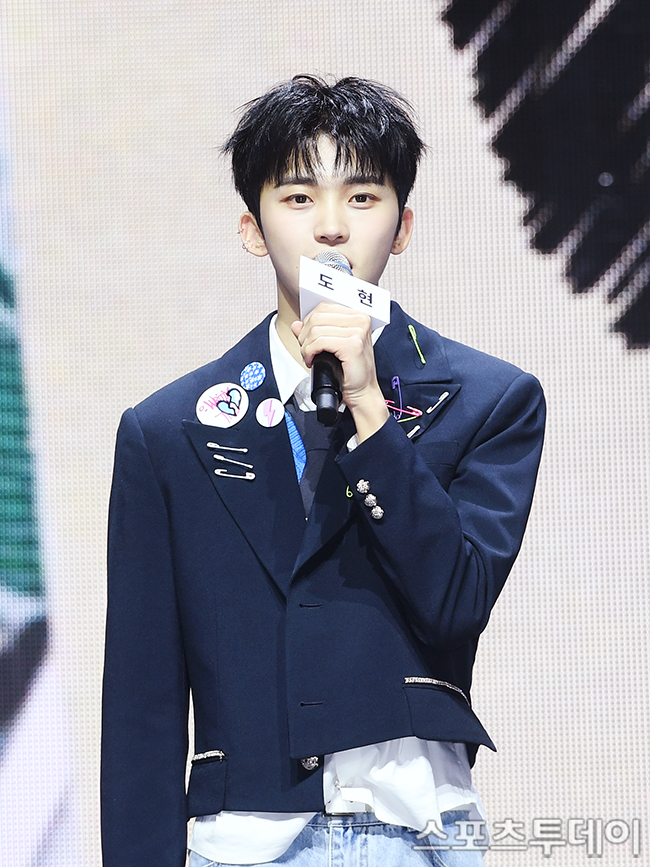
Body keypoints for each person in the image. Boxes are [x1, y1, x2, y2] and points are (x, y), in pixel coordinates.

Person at [101, 75, 545, 867]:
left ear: (403, 227)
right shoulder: (167, 431)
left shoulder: (489, 400)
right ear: (252, 227)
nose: (332, 226)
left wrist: (370, 409)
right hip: (245, 840)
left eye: (363, 197)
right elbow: (142, 699)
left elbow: (455, 602)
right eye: (299, 197)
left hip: (417, 829)